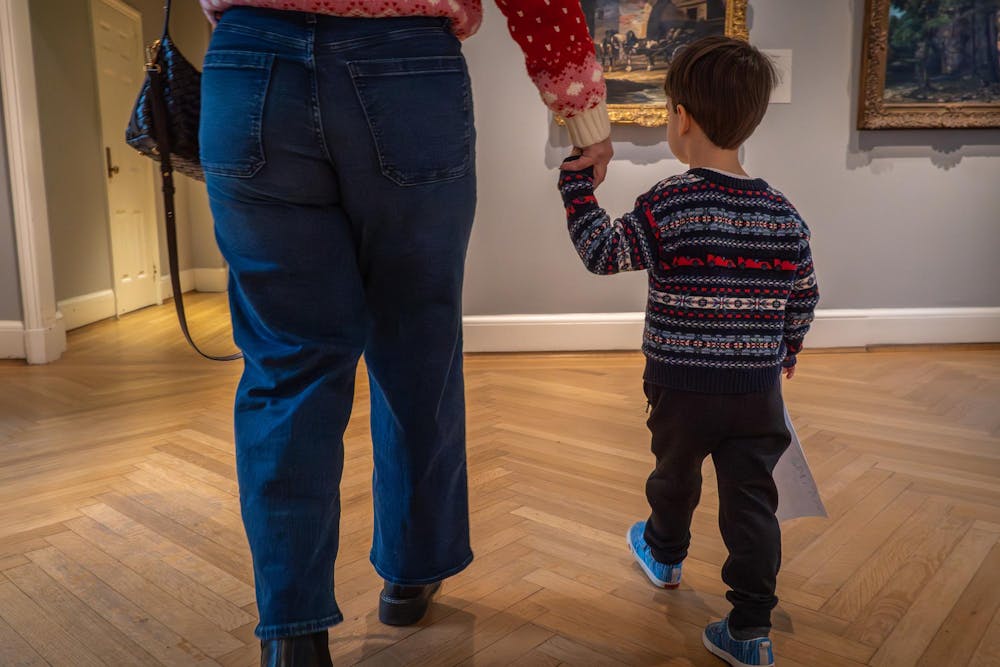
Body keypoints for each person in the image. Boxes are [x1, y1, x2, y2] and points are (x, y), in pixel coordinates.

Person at [197, 1, 612, 665]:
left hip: (250, 62)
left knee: (285, 365)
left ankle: (293, 635)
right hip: (405, 66)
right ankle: (412, 570)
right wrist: (583, 113)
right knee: (416, 342)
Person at [557, 36, 819, 667]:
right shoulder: (783, 215)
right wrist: (784, 350)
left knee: (673, 477)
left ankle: (665, 557)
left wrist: (577, 191)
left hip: (680, 385)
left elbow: (602, 252)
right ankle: (751, 631)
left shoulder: (671, 203)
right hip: (757, 390)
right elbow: (803, 296)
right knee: (752, 502)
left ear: (682, 118)